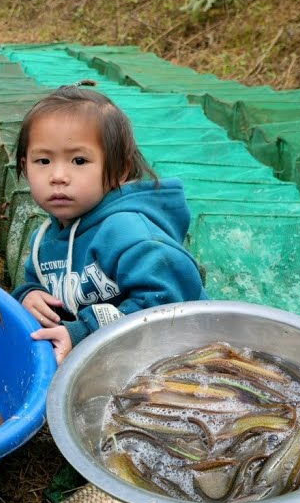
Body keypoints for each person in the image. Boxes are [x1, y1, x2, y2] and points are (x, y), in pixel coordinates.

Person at [11, 84, 207, 365]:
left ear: (119, 170)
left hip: (180, 357)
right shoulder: (44, 239)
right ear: (24, 166)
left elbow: (170, 307)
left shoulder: (131, 234)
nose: (58, 175)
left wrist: (82, 333)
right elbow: (37, 282)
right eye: (43, 160)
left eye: (79, 160)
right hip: (112, 358)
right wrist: (30, 295)